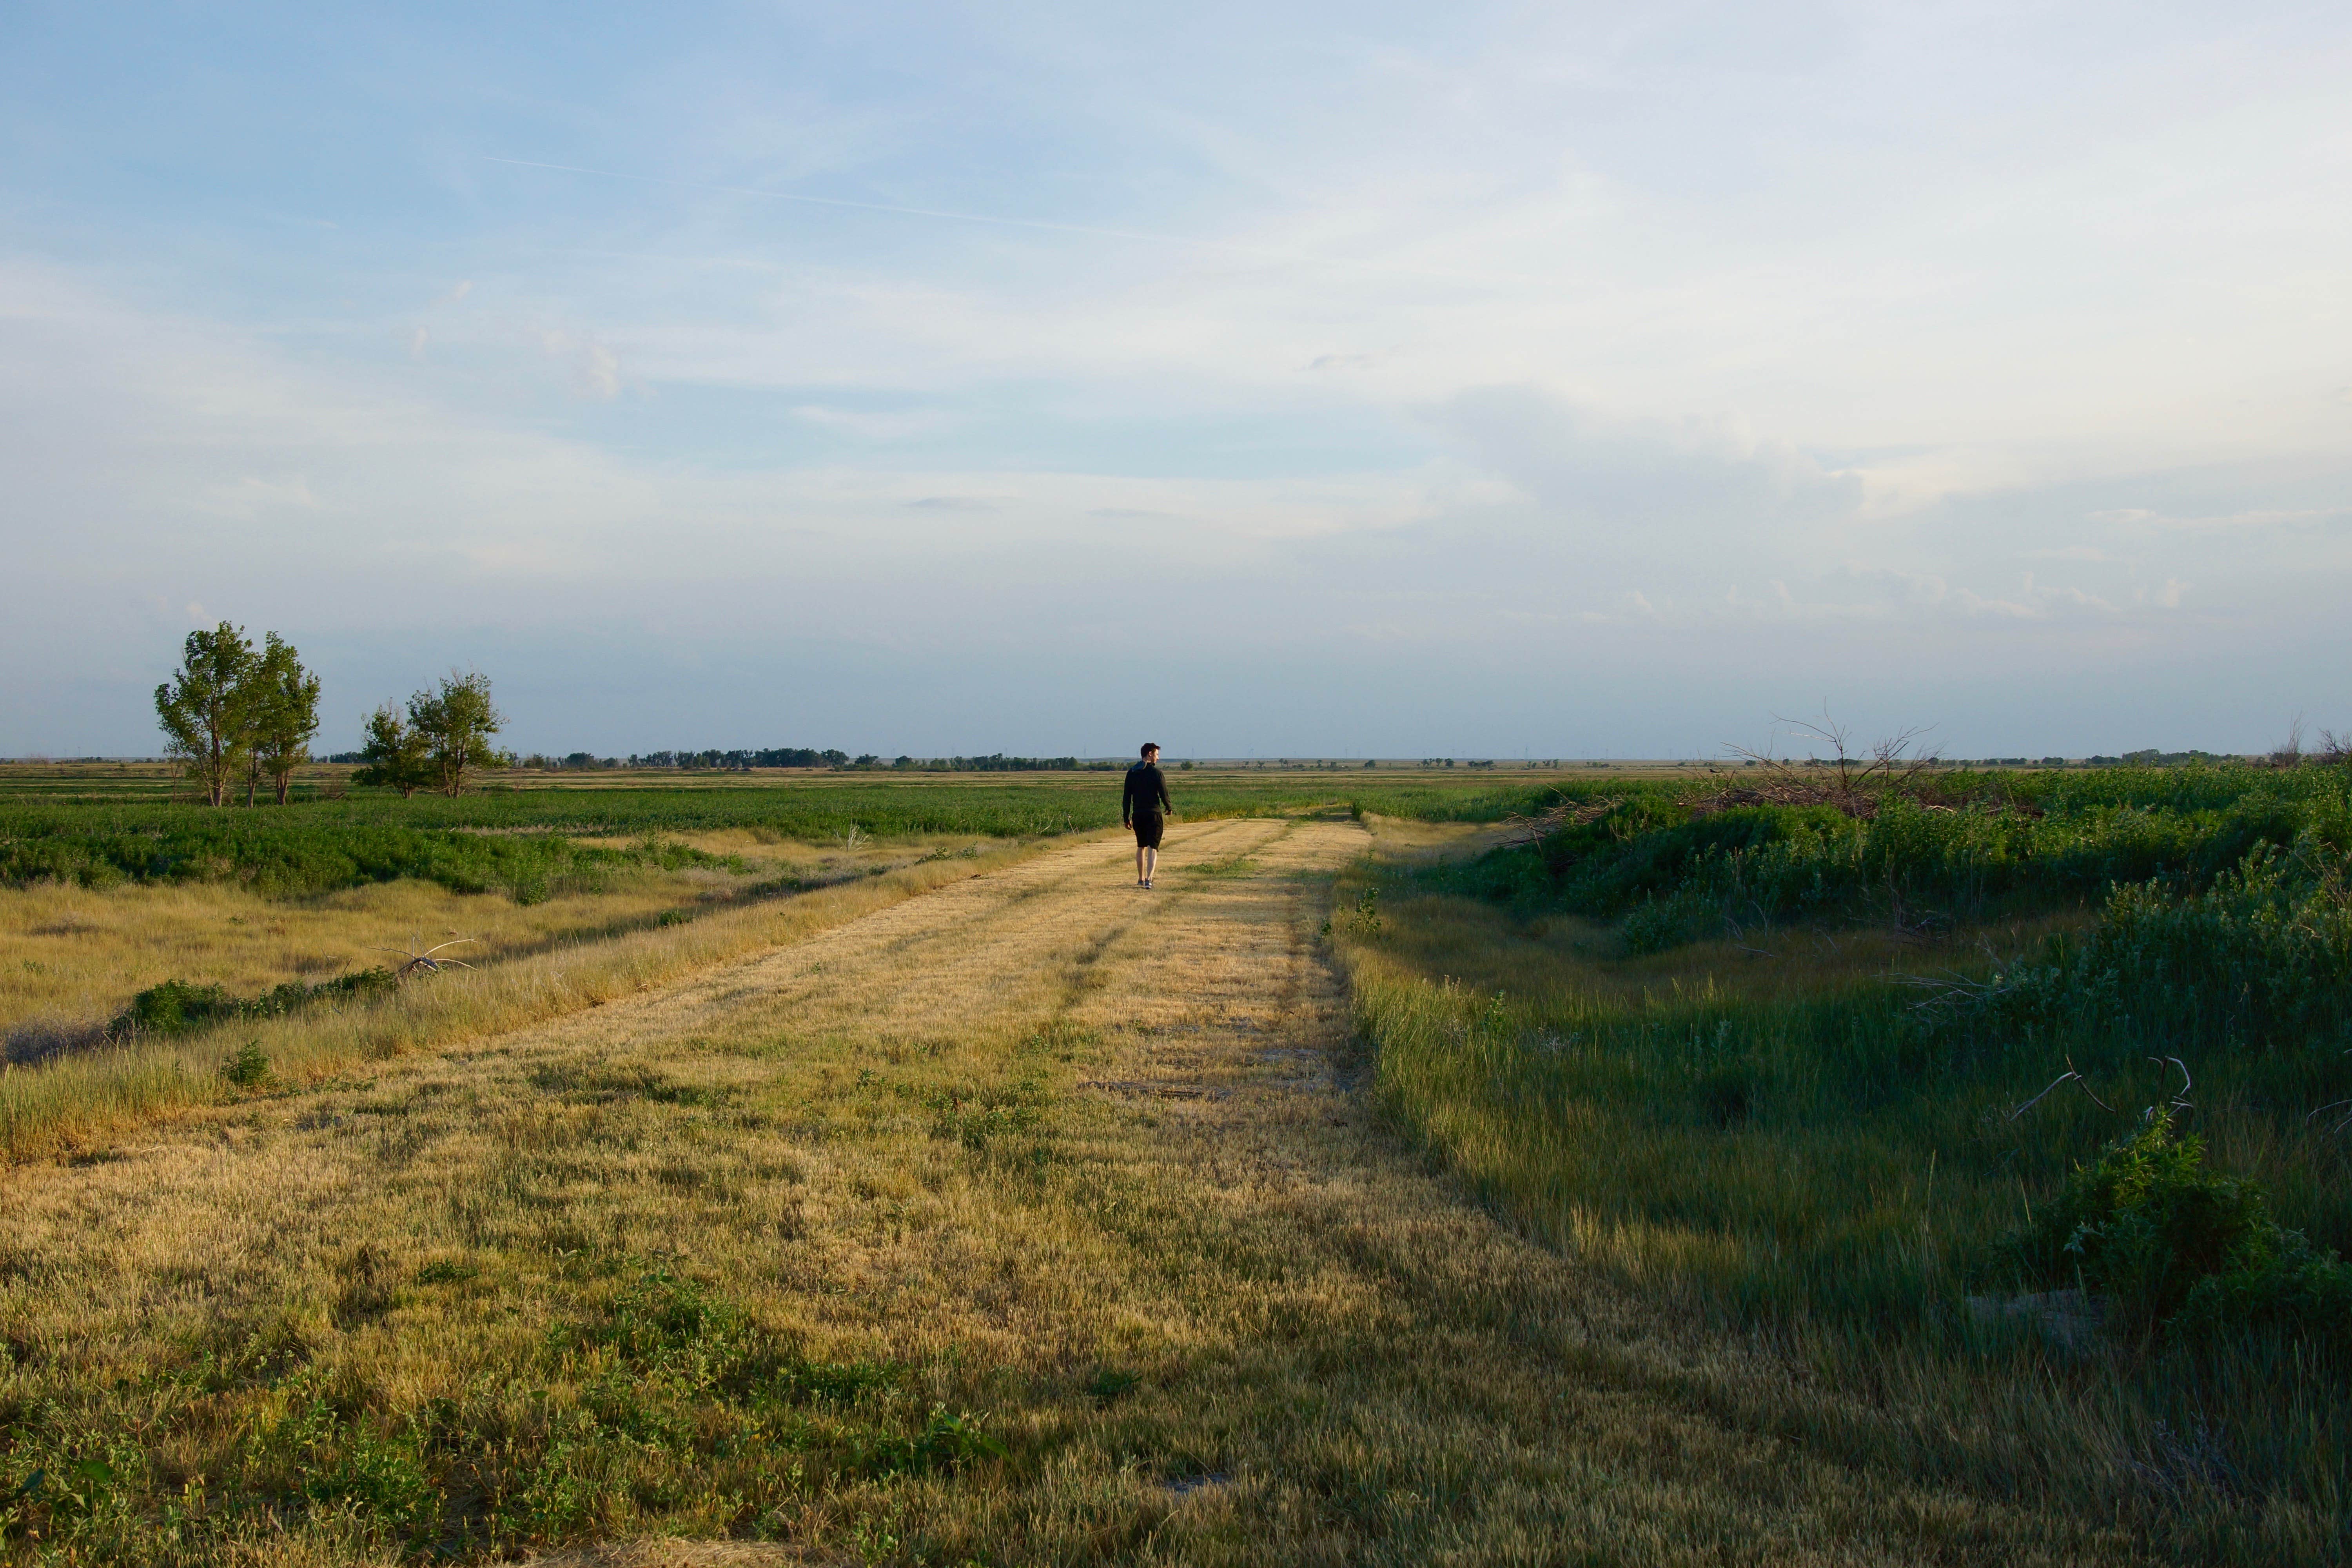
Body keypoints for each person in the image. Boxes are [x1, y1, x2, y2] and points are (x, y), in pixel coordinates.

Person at [1123, 742, 1172, 887]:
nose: (1158, 758)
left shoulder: (1132, 773)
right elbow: (1164, 793)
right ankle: (1149, 880)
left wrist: (1126, 818)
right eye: (1157, 755)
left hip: (1138, 815)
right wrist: (1169, 807)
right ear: (1150, 754)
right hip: (1154, 814)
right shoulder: (1157, 773)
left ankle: (1140, 879)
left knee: (1141, 846)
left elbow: (1127, 798)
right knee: (1153, 847)